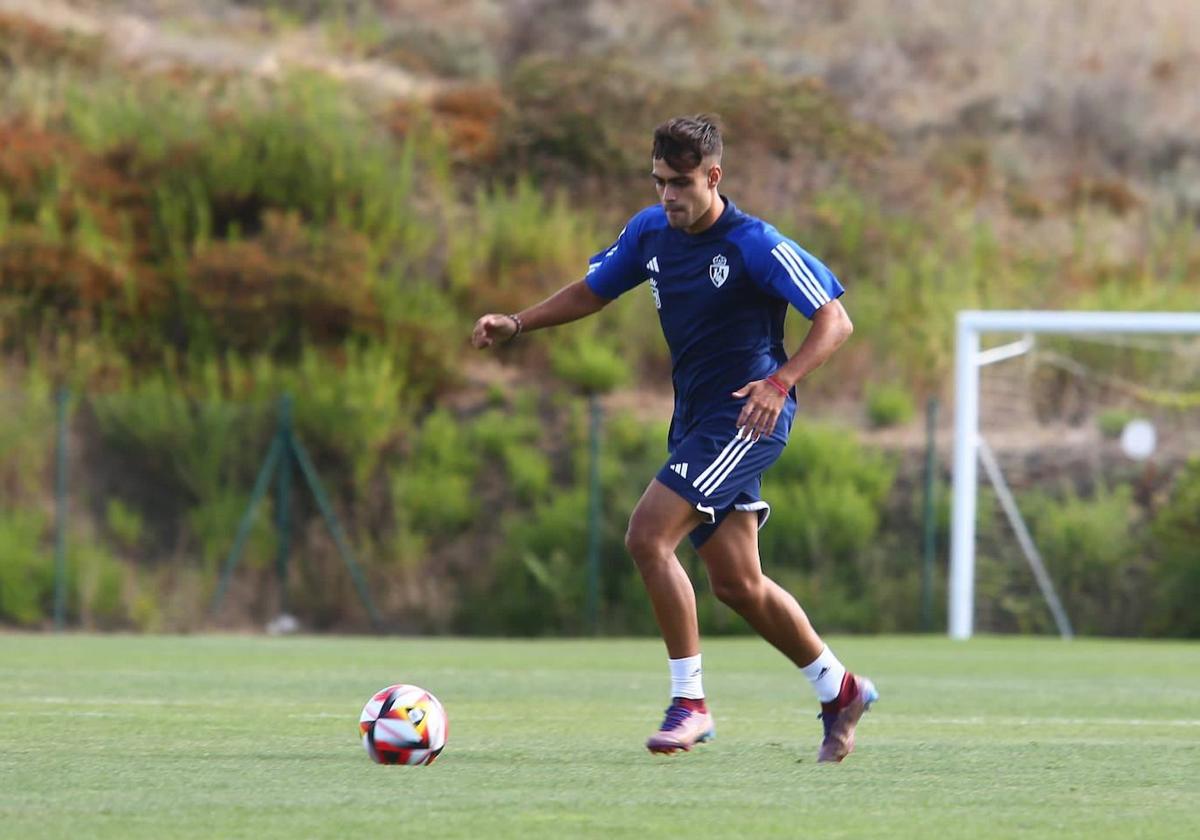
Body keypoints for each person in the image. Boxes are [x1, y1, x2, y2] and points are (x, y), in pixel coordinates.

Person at [471, 115, 877, 762]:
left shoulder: (756, 245)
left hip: (746, 419)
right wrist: (518, 323)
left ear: (713, 176)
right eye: (659, 181)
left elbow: (836, 318)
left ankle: (690, 703)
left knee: (647, 534)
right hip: (695, 423)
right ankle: (840, 688)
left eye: (681, 183)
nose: (668, 196)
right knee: (738, 585)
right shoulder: (650, 232)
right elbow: (592, 291)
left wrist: (782, 381)